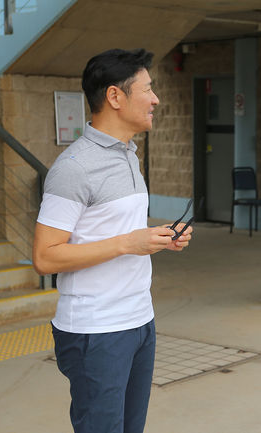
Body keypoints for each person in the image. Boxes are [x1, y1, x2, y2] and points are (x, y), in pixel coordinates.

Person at [32, 48, 193, 433]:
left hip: (140, 320)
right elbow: (45, 257)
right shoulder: (74, 169)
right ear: (115, 97)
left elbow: (116, 229)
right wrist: (128, 243)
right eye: (147, 90)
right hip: (96, 330)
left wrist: (158, 238)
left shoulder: (129, 156)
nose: (155, 99)